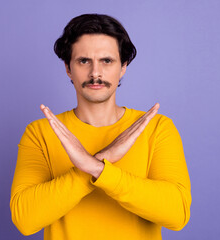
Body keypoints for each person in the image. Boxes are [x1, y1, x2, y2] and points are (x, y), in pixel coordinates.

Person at [10, 13, 191, 240]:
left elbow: (177, 214)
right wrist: (93, 168)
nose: (95, 73)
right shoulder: (40, 133)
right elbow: (25, 221)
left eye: (107, 61)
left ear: (123, 66)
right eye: (84, 61)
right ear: (68, 68)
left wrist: (99, 169)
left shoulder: (157, 128)